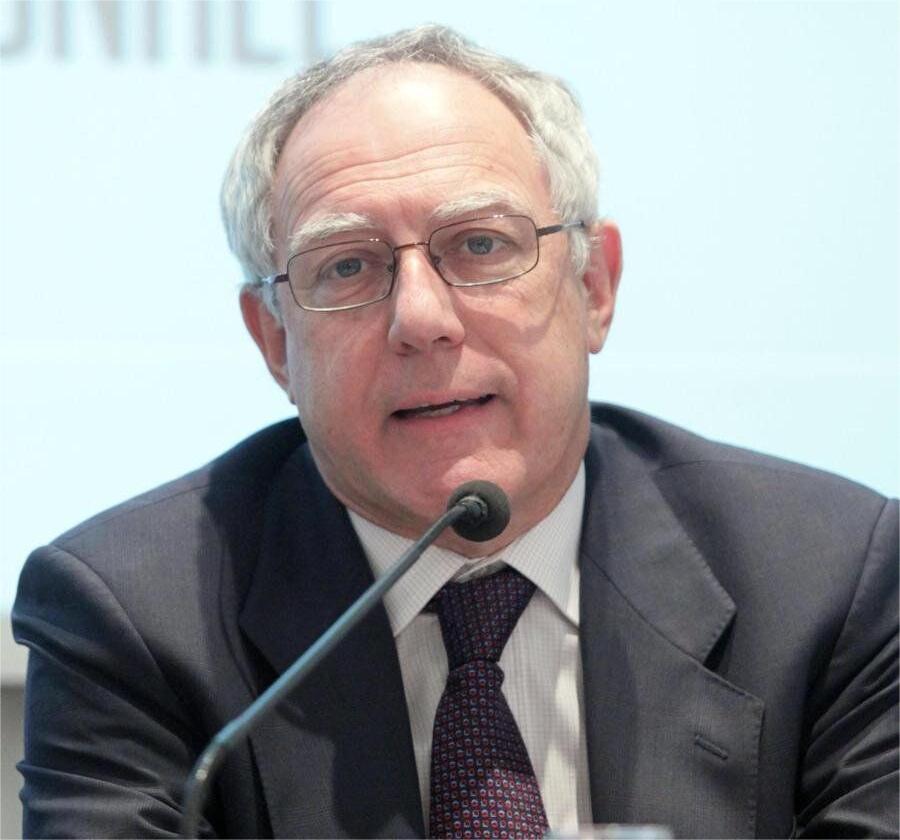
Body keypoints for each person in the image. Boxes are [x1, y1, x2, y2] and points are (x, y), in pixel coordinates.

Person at [12, 24, 897, 840]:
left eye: (480, 246)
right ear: (276, 341)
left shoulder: (829, 581)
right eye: (347, 266)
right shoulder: (131, 617)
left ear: (593, 287)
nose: (423, 319)